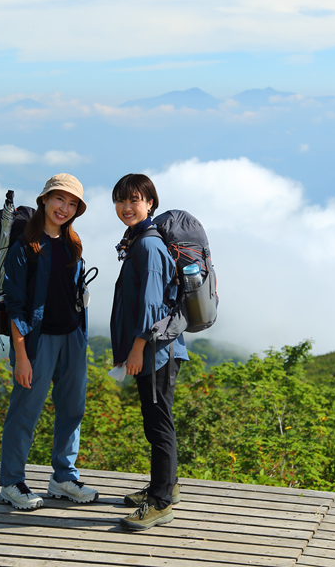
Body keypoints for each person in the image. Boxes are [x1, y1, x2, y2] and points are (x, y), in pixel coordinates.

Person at [0, 173, 98, 510]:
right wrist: (22, 356)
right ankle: (11, 482)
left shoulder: (72, 242)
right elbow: (15, 306)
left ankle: (63, 477)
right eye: (60, 199)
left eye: (72, 204)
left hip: (72, 337)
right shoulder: (25, 246)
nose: (65, 208)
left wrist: (82, 338)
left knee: (73, 409)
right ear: (44, 199)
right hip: (37, 343)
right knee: (25, 412)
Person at [110, 173, 189, 530]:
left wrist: (137, 348)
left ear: (150, 203)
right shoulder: (138, 240)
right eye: (121, 200)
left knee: (159, 426)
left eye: (135, 200)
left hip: (156, 351)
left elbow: (151, 307)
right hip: (155, 350)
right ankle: (163, 488)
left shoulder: (148, 245)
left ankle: (160, 503)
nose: (127, 207)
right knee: (155, 423)